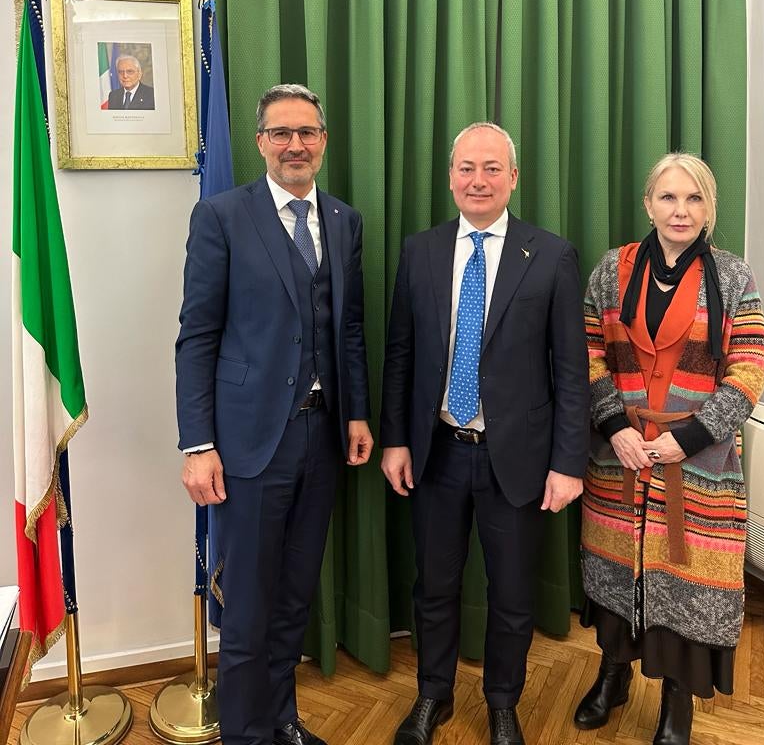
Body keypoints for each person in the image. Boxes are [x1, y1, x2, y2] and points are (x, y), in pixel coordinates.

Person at [175, 83, 374, 745]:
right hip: (248, 444)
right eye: (282, 133)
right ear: (261, 142)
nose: (296, 144)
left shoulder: (345, 222)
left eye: (307, 132)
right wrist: (197, 443)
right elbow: (197, 336)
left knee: (294, 597)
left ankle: (283, 721)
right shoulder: (222, 216)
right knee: (250, 609)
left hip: (321, 440)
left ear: (323, 141)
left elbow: (348, 331)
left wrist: (356, 416)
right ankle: (244, 734)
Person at [380, 122, 591, 745]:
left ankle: (503, 703)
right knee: (435, 586)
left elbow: (572, 373)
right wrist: (395, 439)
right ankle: (432, 697)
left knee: (513, 592)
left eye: (492, 168)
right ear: (450, 177)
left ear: (514, 178)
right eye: (467, 168)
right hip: (437, 453)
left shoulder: (550, 255)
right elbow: (400, 353)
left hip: (518, 461)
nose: (479, 180)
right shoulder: (420, 251)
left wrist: (568, 462)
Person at [577, 153, 764, 745]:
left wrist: (686, 439)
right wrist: (615, 426)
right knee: (614, 572)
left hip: (699, 463)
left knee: (684, 583)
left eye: (693, 199)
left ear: (710, 209)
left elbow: (751, 367)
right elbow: (586, 353)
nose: (680, 210)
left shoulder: (735, 278)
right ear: (647, 204)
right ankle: (612, 675)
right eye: (668, 197)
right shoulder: (611, 271)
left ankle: (676, 705)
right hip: (621, 457)